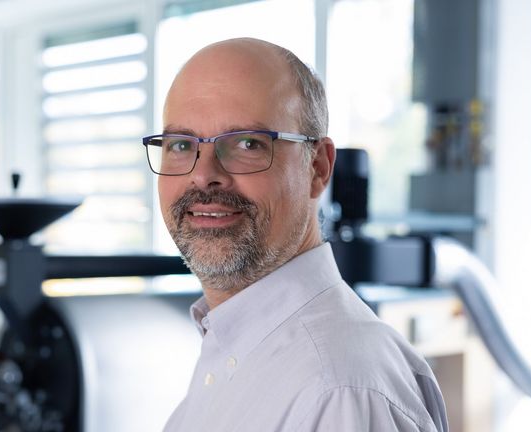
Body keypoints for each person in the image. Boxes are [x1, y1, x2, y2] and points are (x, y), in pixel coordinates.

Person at [143, 37, 448, 432]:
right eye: (181, 145)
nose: (203, 175)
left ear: (318, 168)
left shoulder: (340, 392)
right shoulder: (234, 347)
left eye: (247, 143)